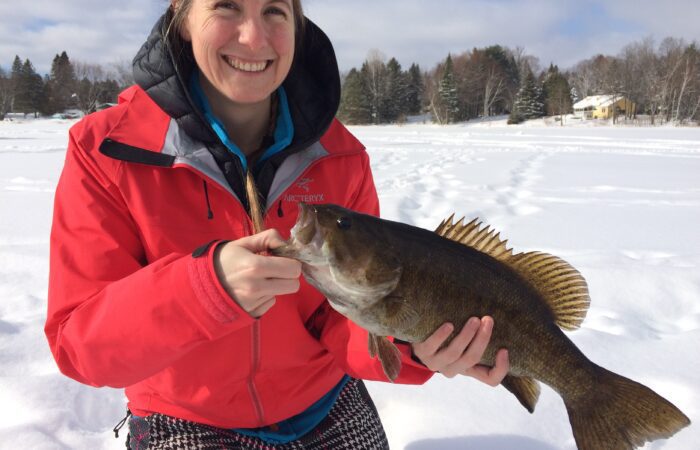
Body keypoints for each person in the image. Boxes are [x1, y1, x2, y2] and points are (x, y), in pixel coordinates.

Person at [45, 0, 509, 448]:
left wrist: (410, 344)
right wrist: (203, 289)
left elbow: (342, 313)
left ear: (297, 23)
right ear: (181, 16)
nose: (253, 37)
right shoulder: (106, 150)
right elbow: (80, 347)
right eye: (226, 6)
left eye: (273, 10)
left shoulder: (340, 155)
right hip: (184, 414)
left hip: (325, 401)